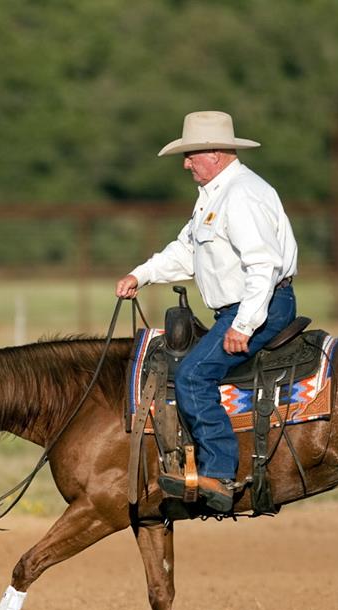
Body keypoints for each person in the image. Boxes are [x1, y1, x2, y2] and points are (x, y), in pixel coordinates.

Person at [116, 110, 298, 512]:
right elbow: (186, 251)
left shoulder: (243, 195)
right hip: (240, 307)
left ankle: (219, 473)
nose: (185, 164)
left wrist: (246, 323)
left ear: (215, 153)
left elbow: (262, 265)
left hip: (262, 304)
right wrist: (141, 275)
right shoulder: (214, 197)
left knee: (195, 376)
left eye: (191, 155)